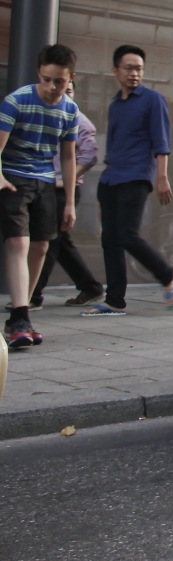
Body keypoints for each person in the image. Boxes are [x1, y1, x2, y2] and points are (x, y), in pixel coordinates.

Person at [84, 45, 173, 316]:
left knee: (127, 235)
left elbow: (161, 141)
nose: (134, 73)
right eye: (129, 68)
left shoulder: (152, 99)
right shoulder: (116, 105)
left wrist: (162, 177)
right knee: (110, 240)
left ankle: (168, 277)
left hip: (137, 176)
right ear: (115, 70)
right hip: (111, 178)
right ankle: (114, 301)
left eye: (139, 68)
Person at [0, 44, 80, 349]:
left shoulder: (70, 111)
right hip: (13, 177)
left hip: (45, 181)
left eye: (59, 81)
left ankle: (21, 315)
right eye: (46, 79)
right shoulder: (16, 102)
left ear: (70, 78)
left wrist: (70, 202)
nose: (51, 87)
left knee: (42, 246)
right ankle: (19, 317)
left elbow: (69, 157)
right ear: (39, 73)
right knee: (18, 242)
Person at [34, 81, 105, 308]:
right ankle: (90, 286)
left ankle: (31, 296)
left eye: (69, 90)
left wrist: (67, 178)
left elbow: (90, 156)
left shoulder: (80, 121)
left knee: (50, 241)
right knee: (60, 243)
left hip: (64, 190)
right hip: (47, 186)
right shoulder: (51, 117)